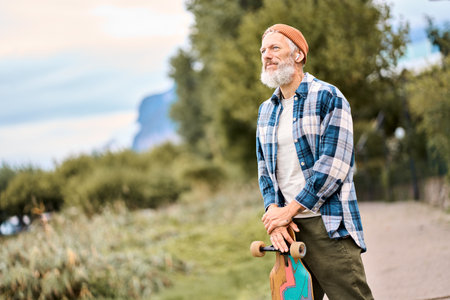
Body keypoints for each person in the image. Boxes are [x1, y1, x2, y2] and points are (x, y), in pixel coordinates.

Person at [256, 24, 374, 300]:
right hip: (289, 233)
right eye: (263, 50)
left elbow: (334, 165)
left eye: (275, 48)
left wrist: (289, 210)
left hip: (327, 226)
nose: (266, 56)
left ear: (298, 55)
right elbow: (265, 171)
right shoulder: (265, 111)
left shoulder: (328, 97)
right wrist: (276, 215)